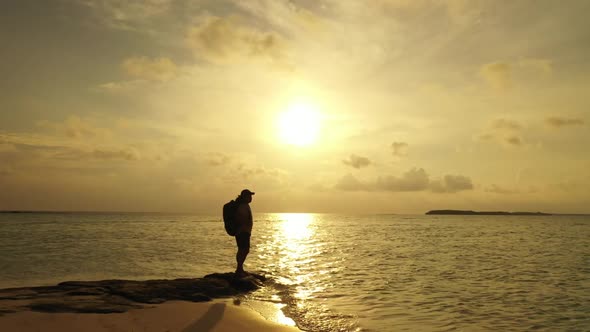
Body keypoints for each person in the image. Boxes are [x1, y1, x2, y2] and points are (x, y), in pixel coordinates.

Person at [234, 189, 254, 277]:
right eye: (249, 196)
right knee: (244, 249)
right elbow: (241, 218)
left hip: (243, 231)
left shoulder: (244, 205)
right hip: (243, 232)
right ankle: (239, 269)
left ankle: (239, 268)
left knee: (242, 249)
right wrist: (244, 228)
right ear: (245, 197)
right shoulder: (242, 206)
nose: (251, 198)